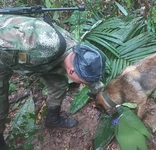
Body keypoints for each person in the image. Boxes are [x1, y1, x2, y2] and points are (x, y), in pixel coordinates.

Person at [0, 14, 106, 149]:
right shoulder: (42, 44)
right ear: (72, 72)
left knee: (59, 85)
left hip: (41, 62)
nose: (84, 84)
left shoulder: (79, 53)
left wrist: (106, 97)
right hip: (3, 54)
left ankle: (52, 119)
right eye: (83, 82)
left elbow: (92, 79)